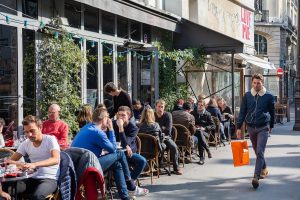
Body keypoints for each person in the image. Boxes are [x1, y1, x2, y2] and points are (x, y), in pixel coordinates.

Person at [71, 108, 148, 200]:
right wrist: (111, 129)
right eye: (107, 117)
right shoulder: (98, 132)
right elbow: (113, 149)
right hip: (89, 166)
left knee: (117, 164)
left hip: (78, 165)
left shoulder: (86, 127)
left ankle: (125, 197)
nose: (109, 120)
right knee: (120, 154)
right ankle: (131, 186)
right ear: (103, 119)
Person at [5, 115, 60, 199]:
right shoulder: (26, 143)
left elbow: (56, 159)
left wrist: (34, 164)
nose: (29, 134)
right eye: (26, 132)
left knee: (37, 196)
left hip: (49, 179)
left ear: (40, 127)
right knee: (11, 190)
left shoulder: (50, 140)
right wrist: (15, 164)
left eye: (32, 131)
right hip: (31, 177)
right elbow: (10, 161)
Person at [236, 73, 275, 189]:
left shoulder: (269, 96)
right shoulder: (247, 95)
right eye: (254, 83)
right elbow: (242, 111)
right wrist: (238, 127)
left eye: (258, 83)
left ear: (262, 82)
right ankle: (264, 168)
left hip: (263, 127)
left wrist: (271, 125)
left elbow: (272, 112)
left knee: (259, 151)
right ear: (252, 83)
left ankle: (256, 177)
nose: (256, 85)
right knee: (257, 151)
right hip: (251, 127)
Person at [113, 106, 147, 180]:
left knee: (142, 161)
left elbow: (125, 144)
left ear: (129, 116)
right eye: (119, 115)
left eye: (123, 115)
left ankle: (130, 181)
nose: (120, 117)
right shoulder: (112, 124)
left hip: (128, 153)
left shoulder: (133, 128)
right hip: (114, 152)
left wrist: (121, 128)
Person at [154, 99, 182, 175]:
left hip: (166, 137)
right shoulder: (153, 115)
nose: (160, 109)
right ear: (156, 106)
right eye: (159, 106)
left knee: (174, 147)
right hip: (155, 137)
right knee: (159, 147)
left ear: (164, 107)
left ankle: (176, 168)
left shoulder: (168, 115)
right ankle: (157, 166)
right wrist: (161, 128)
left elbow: (168, 130)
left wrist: (158, 128)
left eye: (162, 107)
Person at [191, 99, 215, 165]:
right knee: (199, 132)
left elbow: (213, 126)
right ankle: (207, 149)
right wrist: (194, 126)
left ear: (204, 106)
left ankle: (202, 157)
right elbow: (190, 123)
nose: (200, 106)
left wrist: (204, 128)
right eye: (199, 105)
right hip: (195, 131)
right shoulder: (193, 113)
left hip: (205, 132)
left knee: (200, 133)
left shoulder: (207, 114)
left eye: (201, 105)